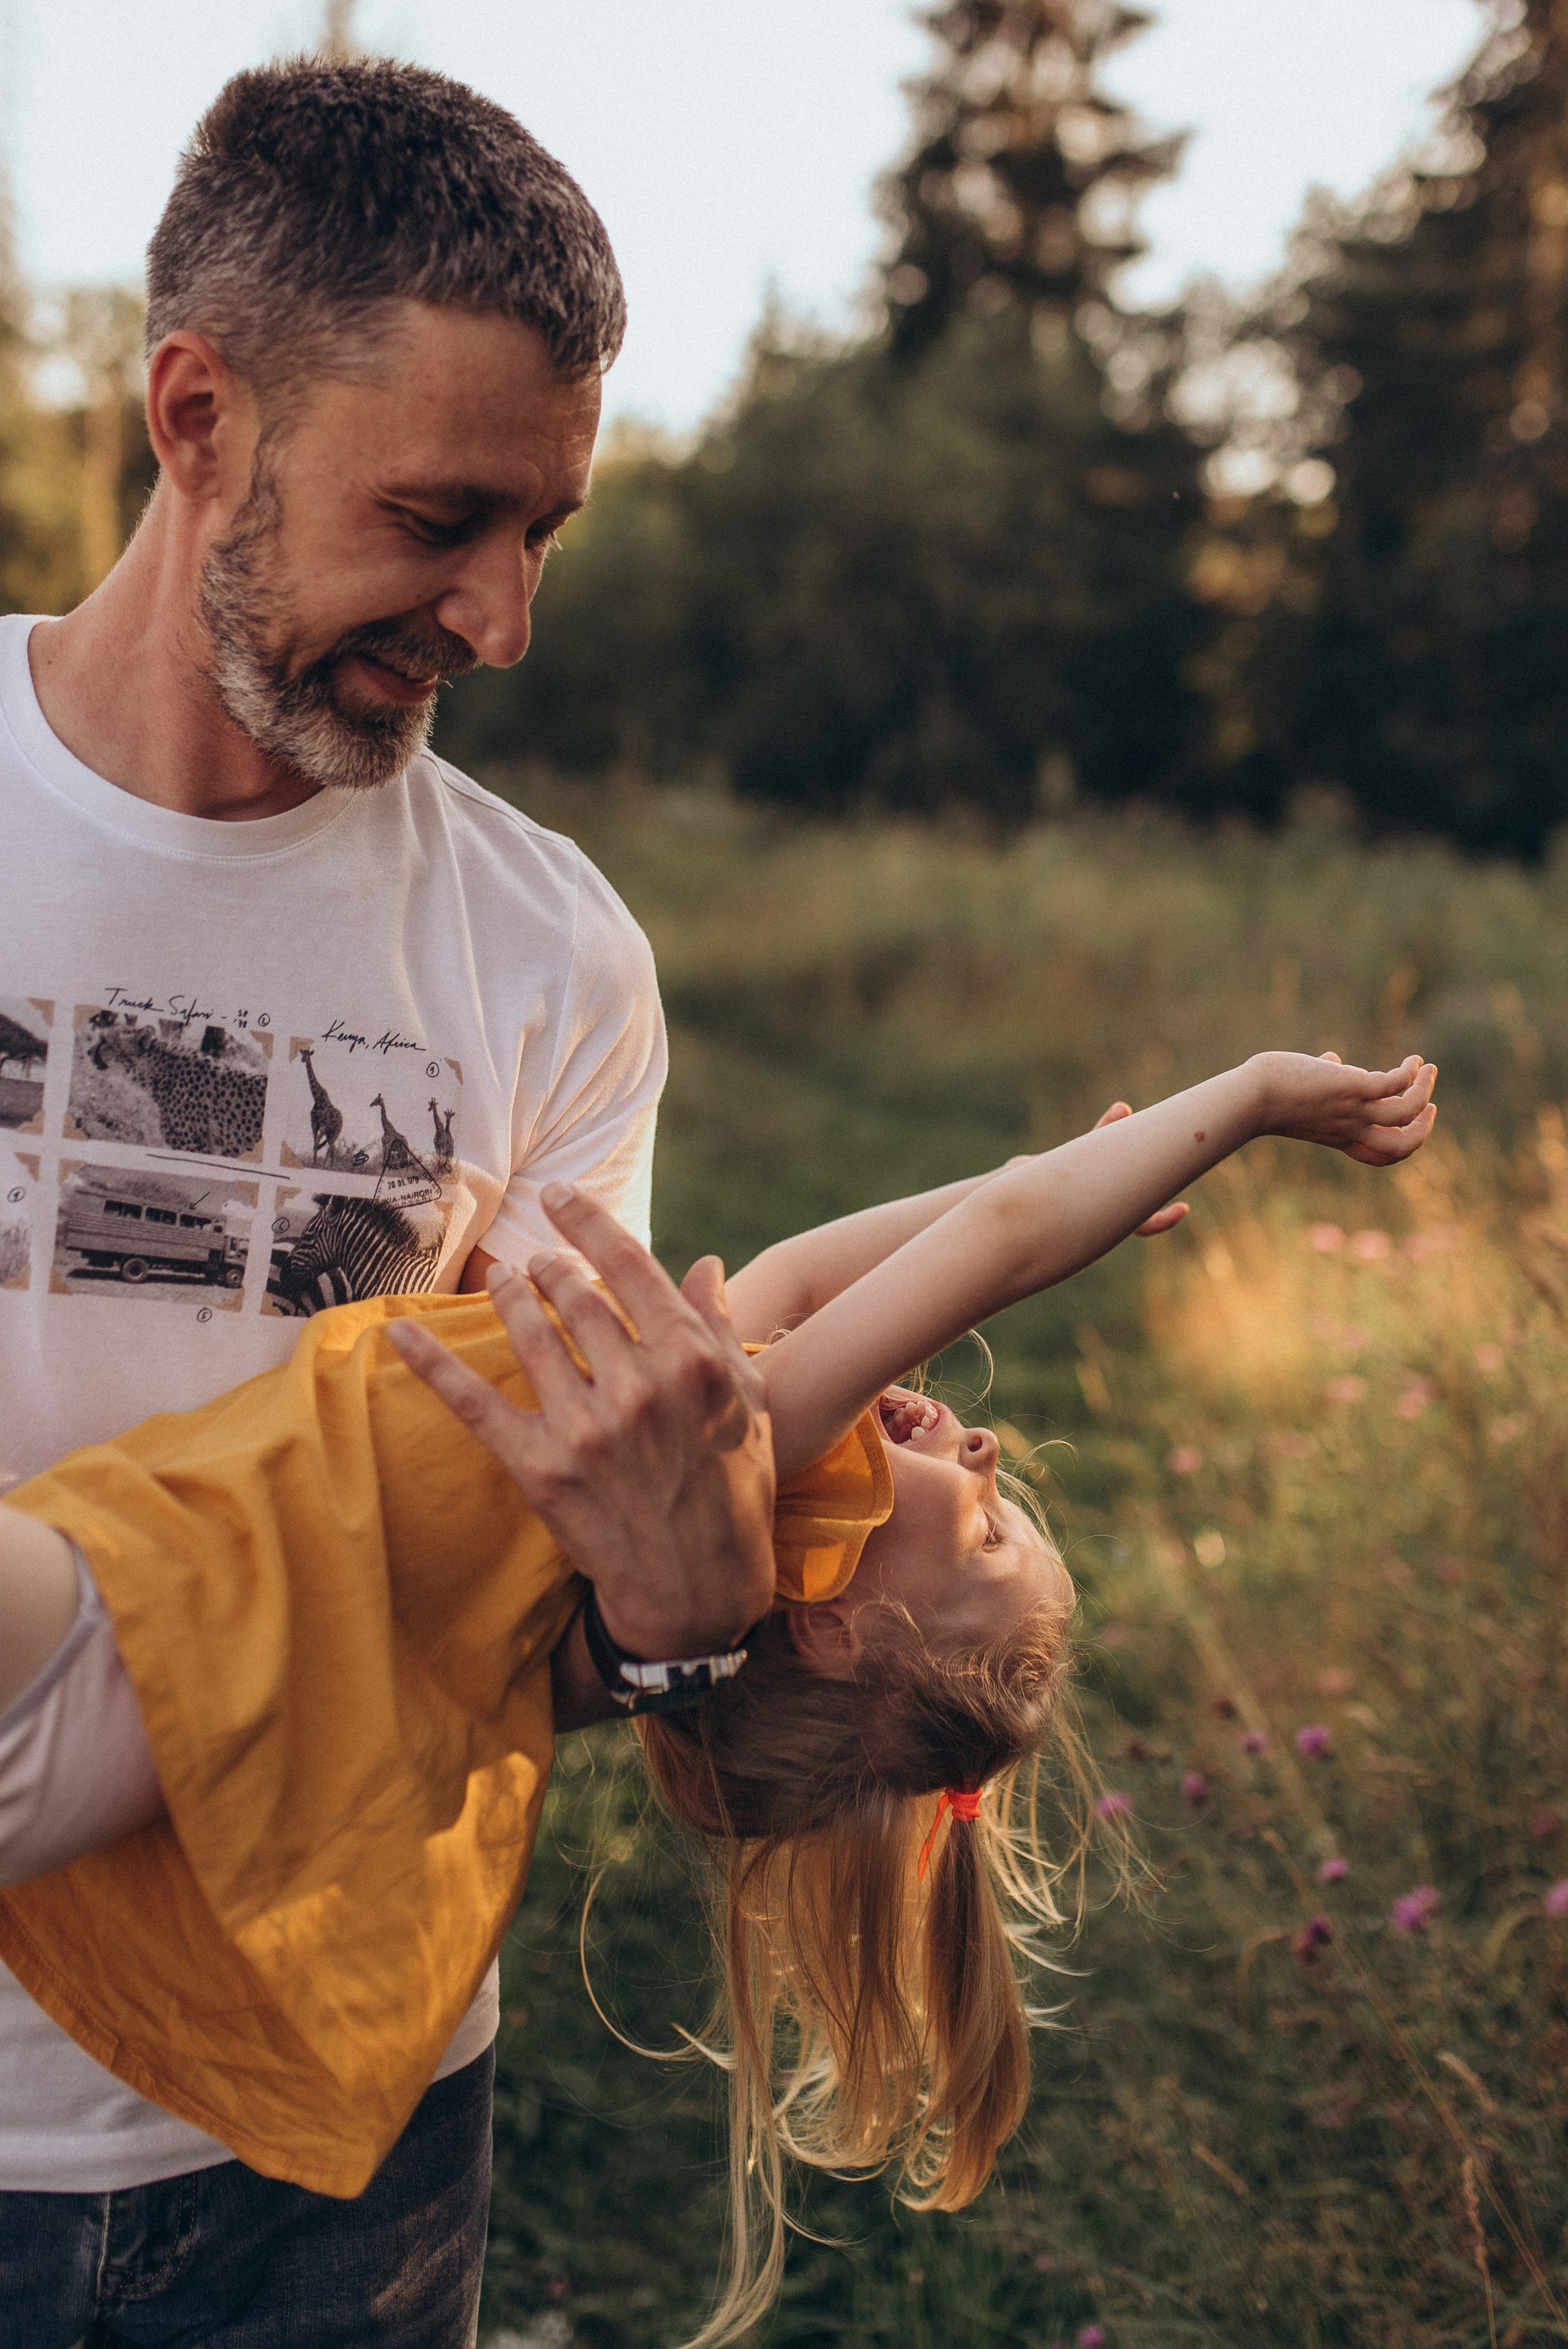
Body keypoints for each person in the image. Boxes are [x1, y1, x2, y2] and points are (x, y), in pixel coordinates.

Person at [0, 1046, 1437, 2347]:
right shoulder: (692, 1415)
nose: (989, 1451)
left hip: (149, 1637)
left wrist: (1249, 1098)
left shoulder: (732, 1460)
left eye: (991, 1534)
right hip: (150, 1585)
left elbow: (999, 1246)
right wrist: (1085, 1169)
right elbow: (813, 1270)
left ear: (832, 1624)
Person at [0, 54, 780, 2347]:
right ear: (199, 417)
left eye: (546, 533)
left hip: (337, 2155)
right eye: (442, 516)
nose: (501, 617)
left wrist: (678, 1616)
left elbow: (488, 1601)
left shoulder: (555, 958)